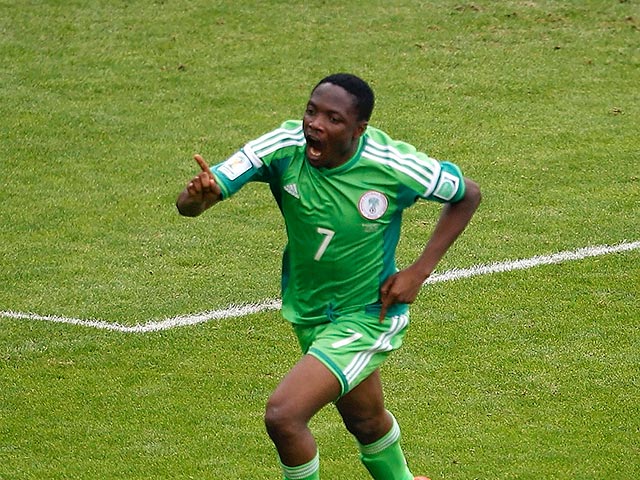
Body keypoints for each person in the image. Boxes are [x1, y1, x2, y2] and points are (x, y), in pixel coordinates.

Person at [176, 73, 481, 480]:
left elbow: (467, 194)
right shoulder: (283, 147)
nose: (315, 124)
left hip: (368, 315)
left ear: (359, 130)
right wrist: (195, 197)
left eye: (333, 119)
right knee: (366, 421)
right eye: (311, 111)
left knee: (284, 415)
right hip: (309, 312)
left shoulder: (391, 165)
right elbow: (192, 203)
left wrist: (418, 272)